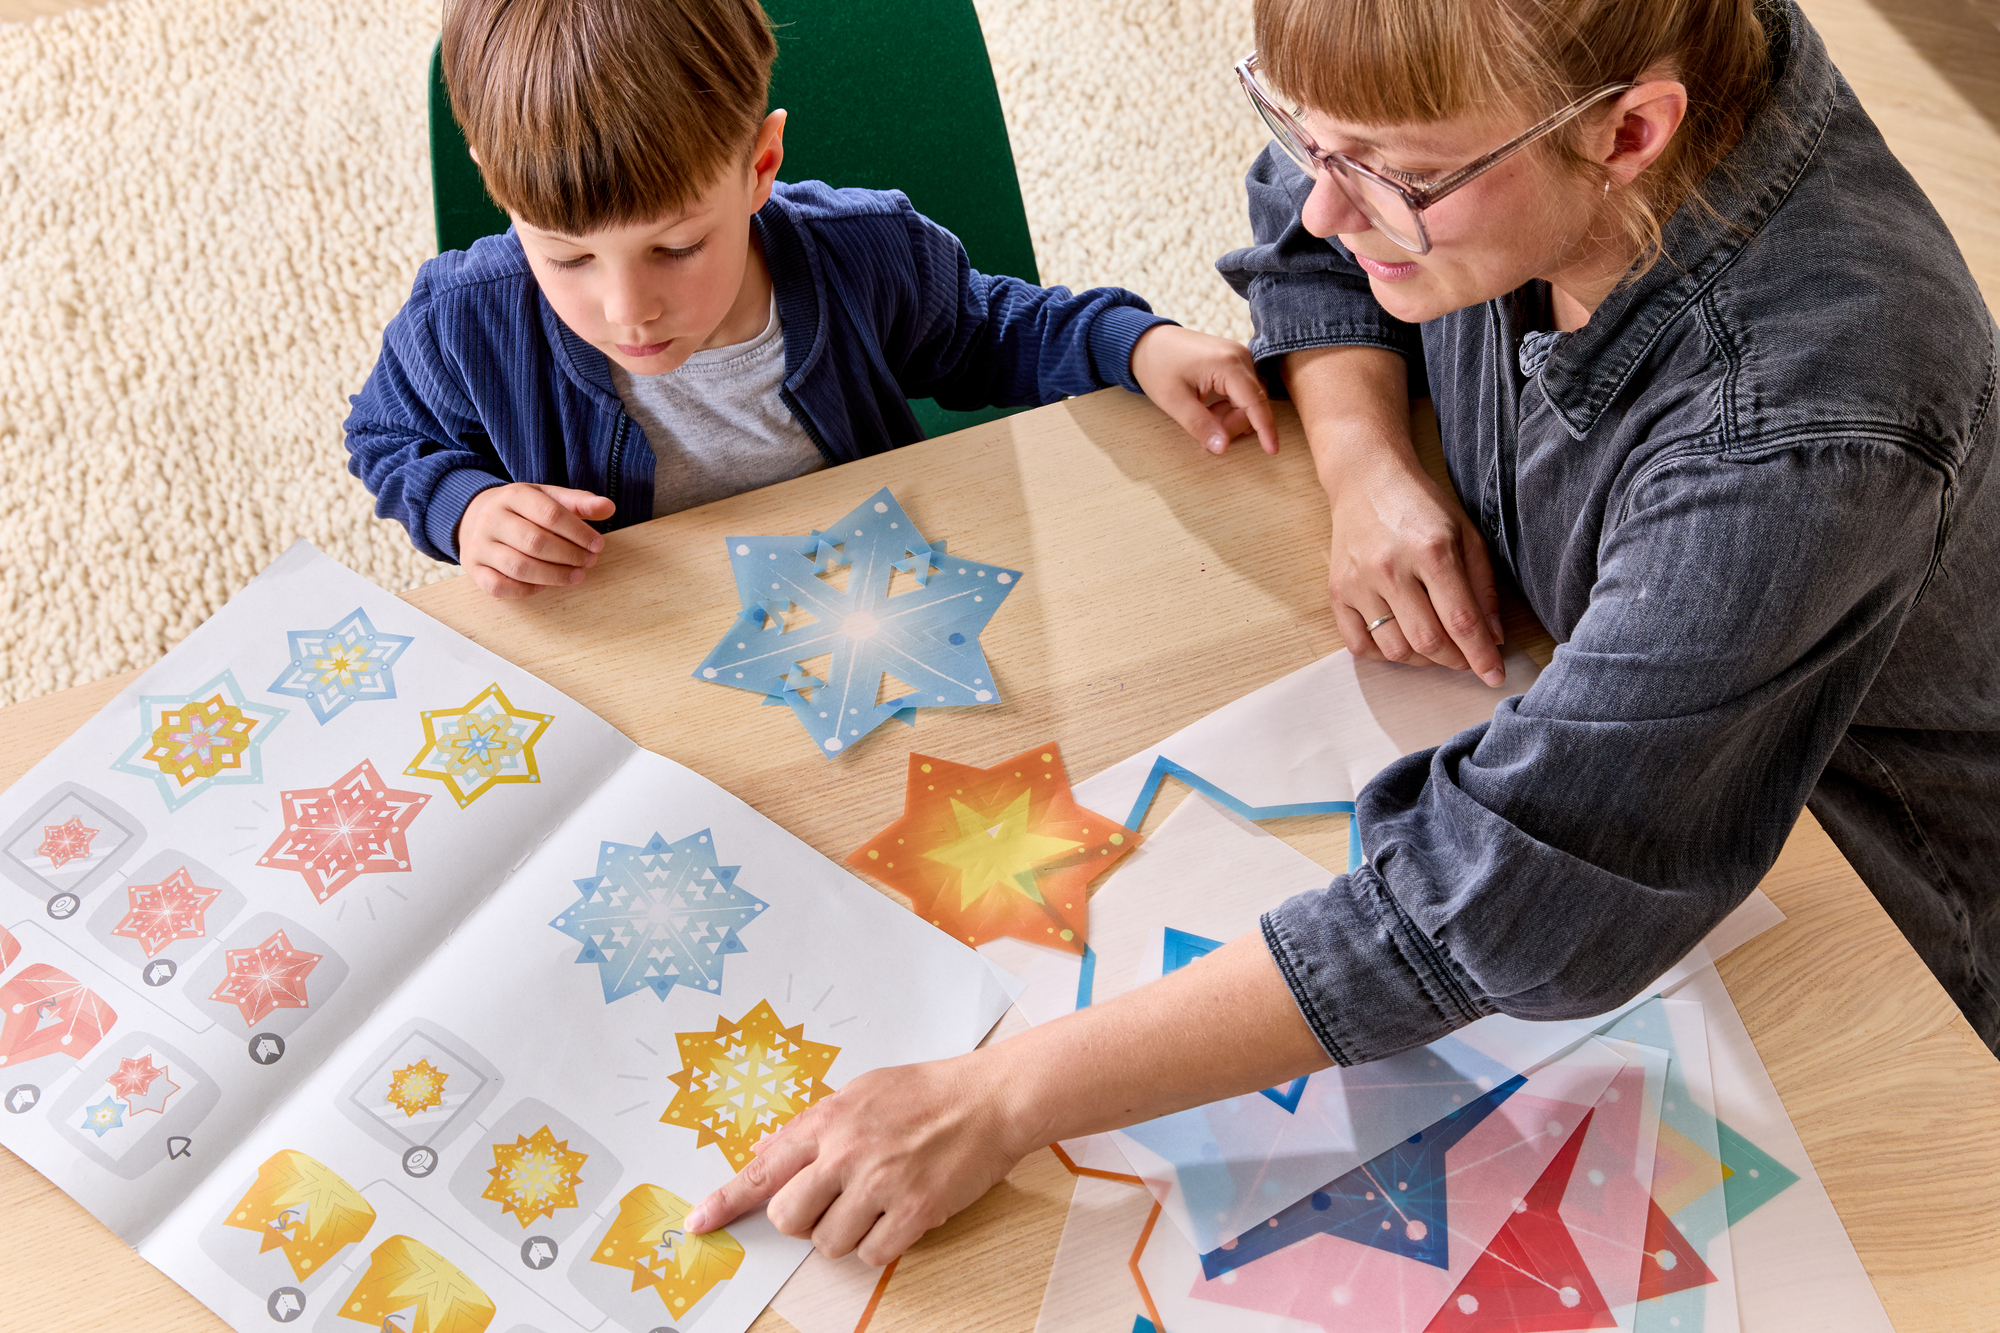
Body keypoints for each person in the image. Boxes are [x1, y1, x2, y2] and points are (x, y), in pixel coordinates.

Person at [684, 0, 1999, 1269]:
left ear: (1629, 133)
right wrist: (1366, 458)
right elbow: (1306, 220)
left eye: (1396, 175)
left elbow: (1508, 893)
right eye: (1310, 133)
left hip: (1867, 881)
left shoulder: (1802, 428)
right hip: (1591, 707)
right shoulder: (1503, 111)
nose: (1325, 203)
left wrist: (1002, 1094)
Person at [344, 0, 1273, 599]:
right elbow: (386, 436)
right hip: (641, 658)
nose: (628, 310)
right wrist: (464, 507)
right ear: (497, 189)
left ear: (761, 165)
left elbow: (993, 327)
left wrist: (1137, 343)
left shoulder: (861, 253)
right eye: (567, 256)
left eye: (676, 247)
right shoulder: (462, 317)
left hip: (872, 608)